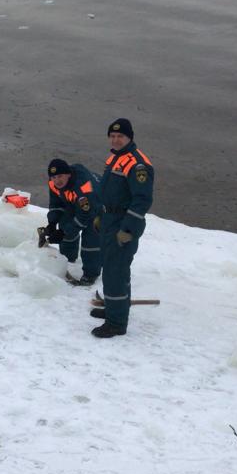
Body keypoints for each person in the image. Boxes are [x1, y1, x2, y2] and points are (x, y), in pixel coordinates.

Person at [92, 118, 154, 338]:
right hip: (110, 219)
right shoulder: (116, 157)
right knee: (111, 267)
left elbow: (142, 200)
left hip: (122, 222)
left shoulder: (138, 164)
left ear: (130, 137)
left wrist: (128, 229)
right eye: (113, 136)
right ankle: (114, 308)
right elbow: (108, 190)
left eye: (120, 136)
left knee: (116, 271)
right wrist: (100, 215)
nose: (116, 140)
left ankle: (116, 323)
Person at [42, 158, 103, 286]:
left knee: (91, 240)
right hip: (75, 203)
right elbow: (56, 204)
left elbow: (85, 216)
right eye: (54, 177)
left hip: (98, 206)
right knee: (65, 223)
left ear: (68, 174)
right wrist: (52, 223)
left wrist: (63, 233)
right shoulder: (53, 184)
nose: (57, 180)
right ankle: (68, 258)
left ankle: (90, 274)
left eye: (60, 176)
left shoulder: (84, 188)